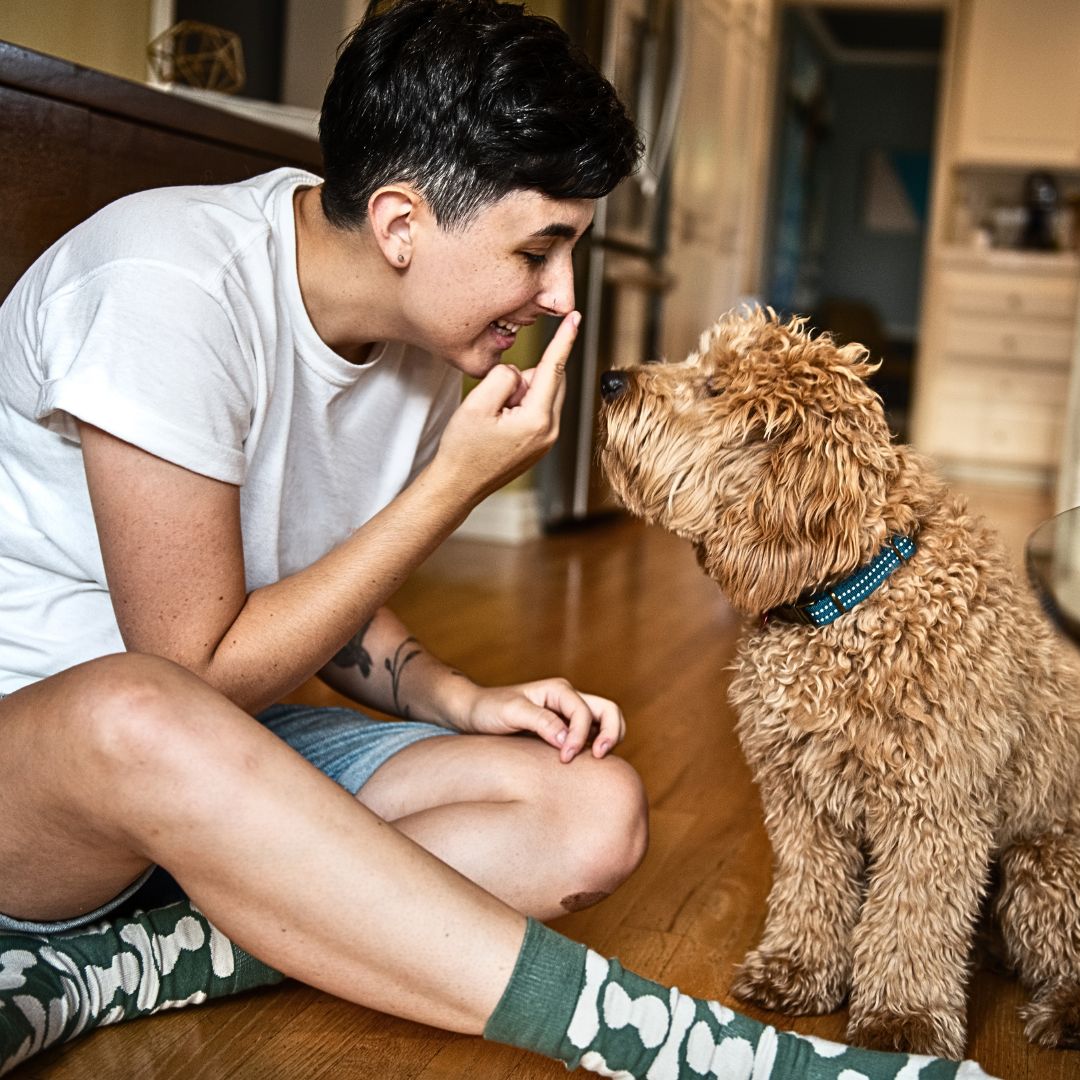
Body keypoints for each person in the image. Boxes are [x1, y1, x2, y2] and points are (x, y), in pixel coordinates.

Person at [0, 2, 996, 1077]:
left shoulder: (424, 335)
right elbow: (188, 673)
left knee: (591, 812)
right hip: (54, 776)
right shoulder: (166, 290)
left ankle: (152, 956)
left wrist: (460, 697)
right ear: (399, 224)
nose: (560, 297)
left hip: (218, 752)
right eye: (540, 248)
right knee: (137, 707)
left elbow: (290, 573)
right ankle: (690, 1051)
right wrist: (450, 490)